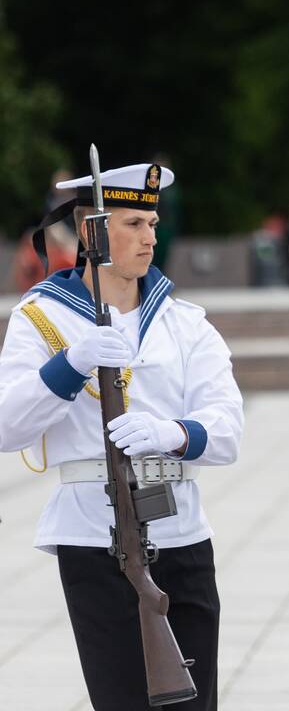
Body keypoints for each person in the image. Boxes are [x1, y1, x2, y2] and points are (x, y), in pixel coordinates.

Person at [0, 161, 244, 710]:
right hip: (93, 534)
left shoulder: (184, 322)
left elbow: (227, 430)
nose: (149, 237)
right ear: (93, 232)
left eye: (152, 224)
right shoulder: (42, 318)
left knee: (193, 703)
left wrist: (172, 432)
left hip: (182, 532)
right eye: (133, 223)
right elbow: (7, 424)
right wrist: (70, 365)